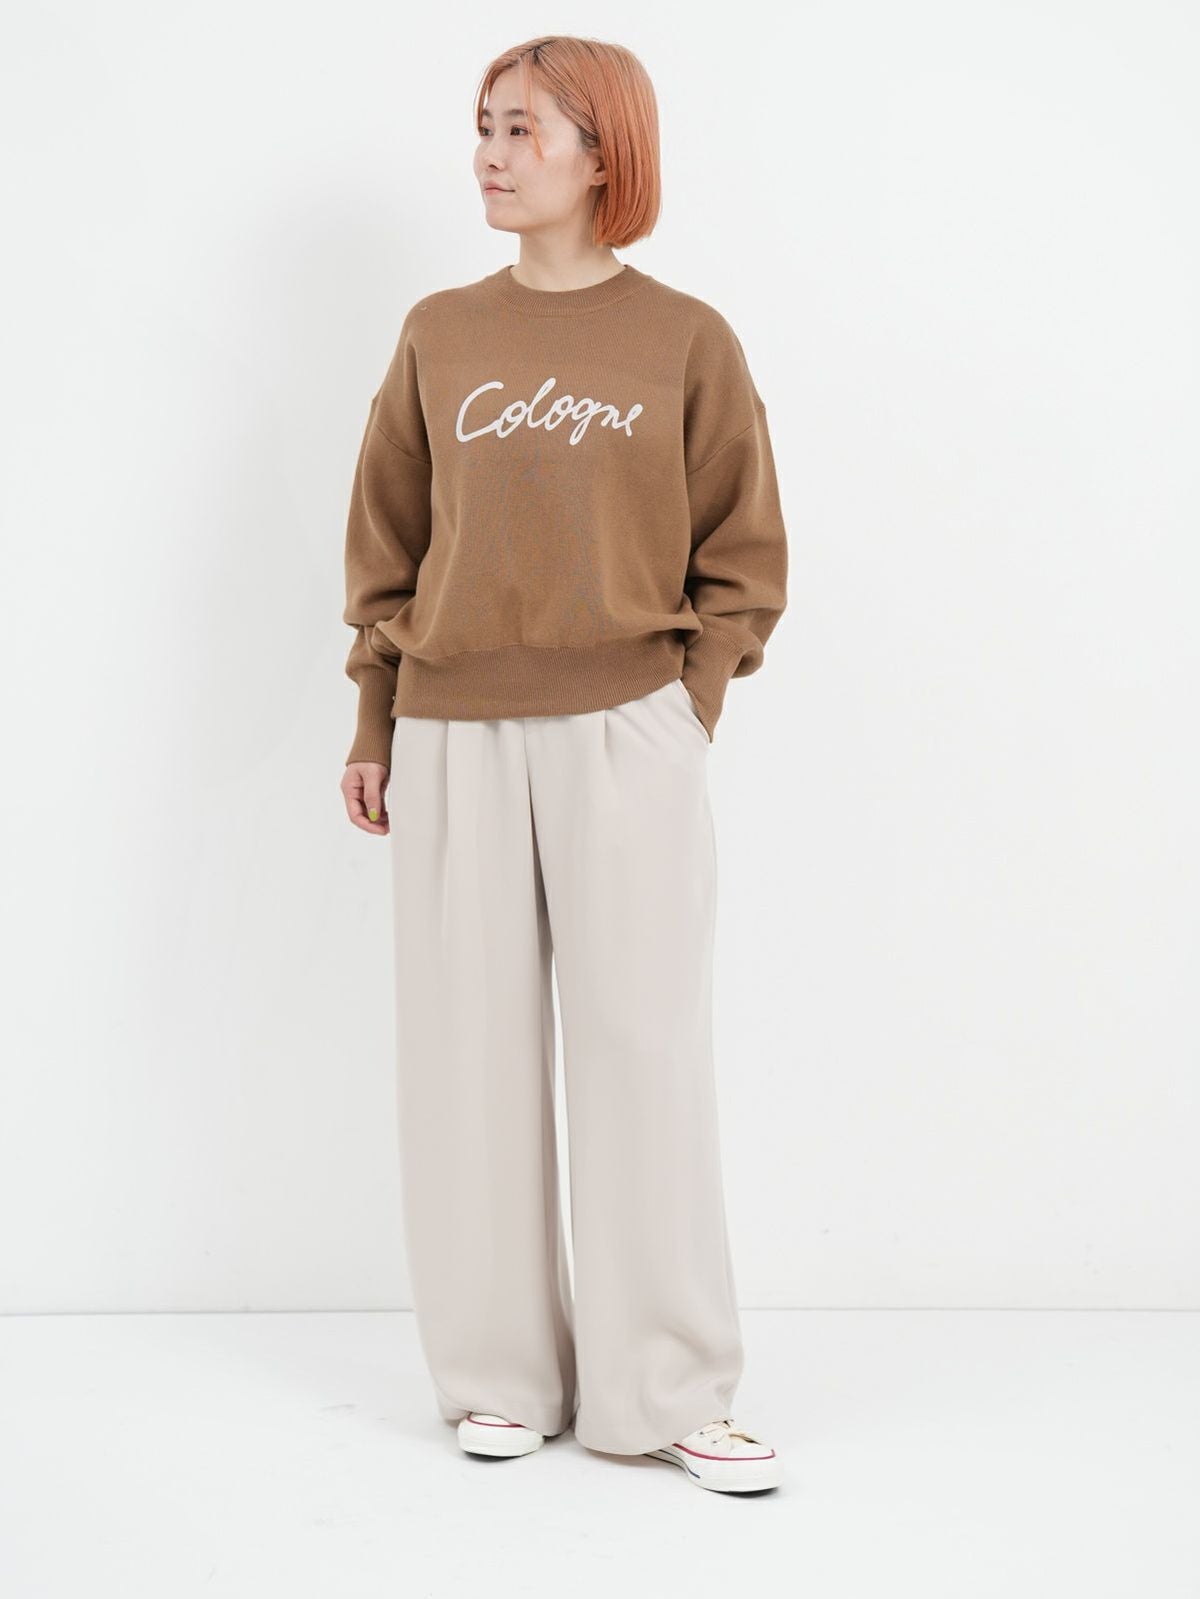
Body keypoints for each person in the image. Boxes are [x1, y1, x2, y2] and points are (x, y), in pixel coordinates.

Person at [339, 35, 788, 1495]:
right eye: (483, 125)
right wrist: (375, 718)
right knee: (464, 1059)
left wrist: (685, 707)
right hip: (450, 730)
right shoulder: (439, 335)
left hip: (628, 730)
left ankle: (668, 1390)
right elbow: (388, 546)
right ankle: (497, 1381)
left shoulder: (685, 340)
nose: (489, 152)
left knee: (642, 1052)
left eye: (522, 128)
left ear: (605, 152)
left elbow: (744, 553)